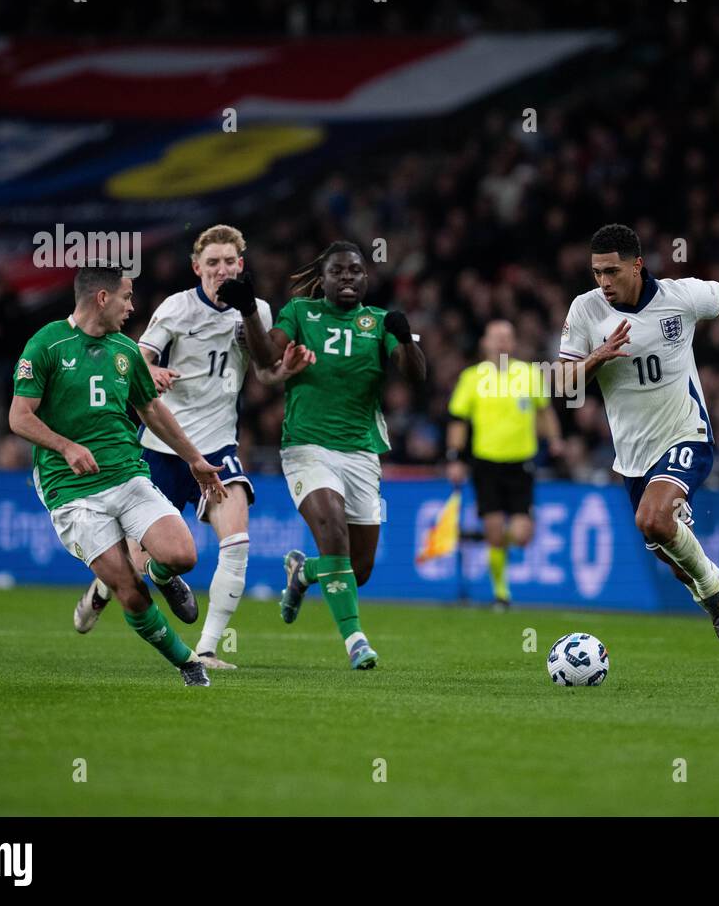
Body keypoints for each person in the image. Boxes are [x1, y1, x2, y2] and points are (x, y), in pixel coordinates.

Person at [70, 225, 310, 670]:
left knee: (237, 541)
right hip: (162, 446)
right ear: (196, 267)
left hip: (218, 446)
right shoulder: (177, 308)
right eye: (212, 263)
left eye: (230, 262)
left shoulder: (256, 309)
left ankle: (207, 649)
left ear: (242, 264)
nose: (222, 270)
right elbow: (136, 359)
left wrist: (285, 371)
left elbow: (264, 372)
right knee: (135, 564)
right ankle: (105, 588)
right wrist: (152, 373)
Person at [556, 224, 719, 685]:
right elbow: (561, 384)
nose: (604, 282)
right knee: (677, 561)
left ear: (637, 265)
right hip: (633, 459)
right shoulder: (586, 309)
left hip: (686, 436)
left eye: (613, 272)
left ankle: (717, 599)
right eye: (597, 272)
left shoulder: (680, 297)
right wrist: (597, 357)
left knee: (654, 521)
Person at [8, 263, 226, 687]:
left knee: (182, 555)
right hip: (71, 491)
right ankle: (187, 662)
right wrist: (66, 446)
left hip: (127, 475)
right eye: (126, 297)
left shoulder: (125, 351)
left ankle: (165, 575)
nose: (132, 306)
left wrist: (195, 459)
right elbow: (19, 416)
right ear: (102, 298)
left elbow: (152, 411)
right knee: (128, 587)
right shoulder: (47, 344)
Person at [271, 242, 427, 669]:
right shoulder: (300, 313)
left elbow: (415, 375)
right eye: (338, 272)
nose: (347, 278)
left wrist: (405, 333)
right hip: (306, 446)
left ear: (366, 277)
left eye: (356, 272)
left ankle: (303, 573)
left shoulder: (378, 322)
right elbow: (267, 354)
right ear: (322, 279)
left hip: (361, 452)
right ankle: (356, 640)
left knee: (358, 570)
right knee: (333, 531)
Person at [446, 319, 563, 609]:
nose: (501, 342)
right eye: (496, 336)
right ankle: (501, 593)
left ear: (513, 343)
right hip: (486, 464)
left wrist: (555, 439)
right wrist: (455, 458)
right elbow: (458, 421)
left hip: (521, 464)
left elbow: (544, 412)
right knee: (496, 530)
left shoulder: (529, 374)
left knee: (522, 535)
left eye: (507, 337)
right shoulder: (472, 377)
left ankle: (489, 543)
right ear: (485, 342)